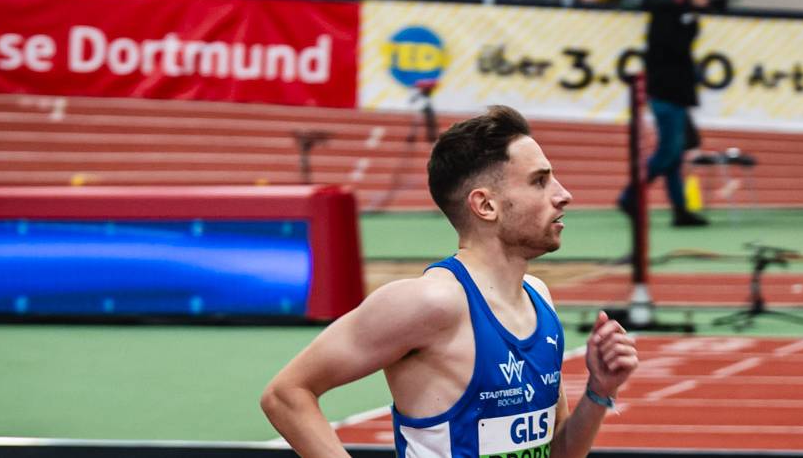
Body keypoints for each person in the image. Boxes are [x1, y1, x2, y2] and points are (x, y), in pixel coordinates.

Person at [261, 106, 638, 457]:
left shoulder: (539, 299)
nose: (563, 195)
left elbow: (559, 453)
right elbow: (286, 394)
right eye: (540, 182)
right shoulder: (431, 303)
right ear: (485, 205)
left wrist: (599, 392)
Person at [617, 0, 710, 227]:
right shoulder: (670, 16)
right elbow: (679, 47)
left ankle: (680, 210)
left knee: (674, 158)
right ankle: (629, 197)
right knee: (667, 154)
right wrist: (691, 19)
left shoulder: (667, 14)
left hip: (671, 94)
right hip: (668, 94)